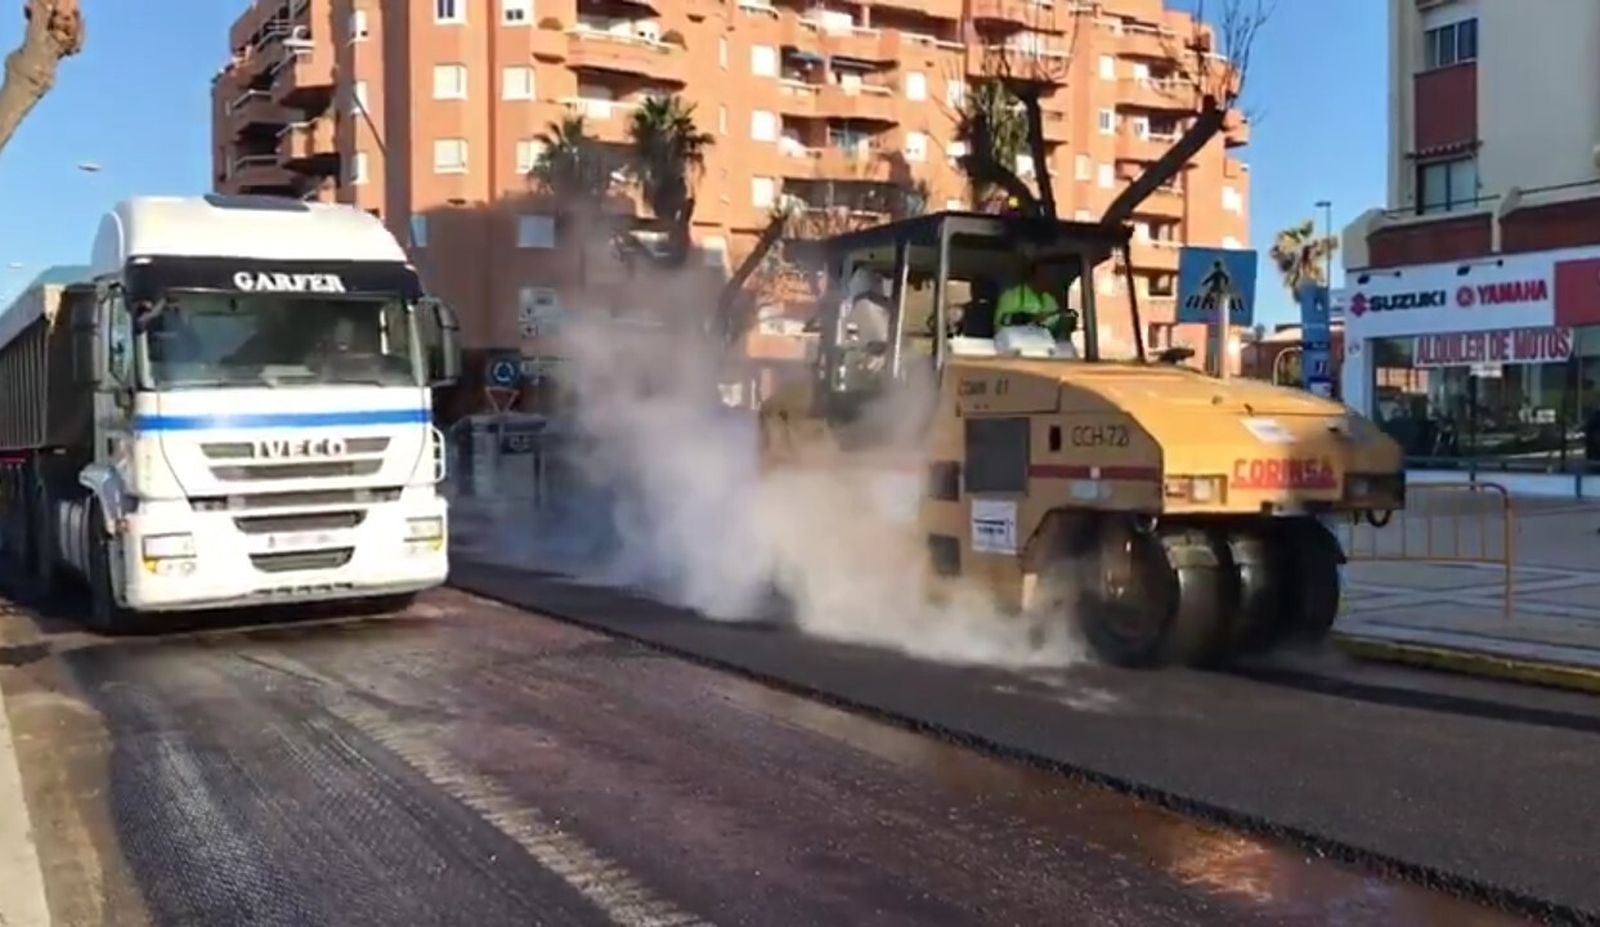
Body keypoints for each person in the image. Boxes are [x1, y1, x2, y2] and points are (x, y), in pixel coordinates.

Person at [996, 259, 1077, 341]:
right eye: (1044, 275)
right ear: (1033, 276)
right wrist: (1030, 318)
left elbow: (1053, 325)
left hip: (1044, 346)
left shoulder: (1049, 299)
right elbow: (1002, 323)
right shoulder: (1011, 296)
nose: (1048, 278)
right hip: (1016, 346)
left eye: (1050, 275)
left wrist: (1064, 321)